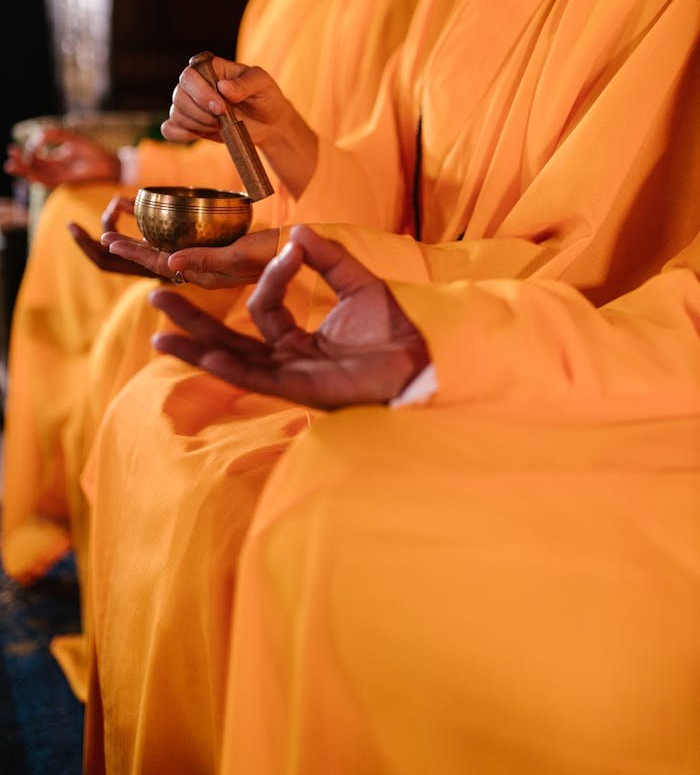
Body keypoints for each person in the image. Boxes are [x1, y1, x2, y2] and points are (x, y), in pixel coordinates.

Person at [82, 0, 700, 769]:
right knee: (154, 409)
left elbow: (585, 262)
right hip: (431, 303)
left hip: (559, 348)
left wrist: (333, 263)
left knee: (306, 503)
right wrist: (293, 150)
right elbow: (400, 183)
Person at [0, 0, 438, 611]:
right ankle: (47, 520)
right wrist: (118, 160)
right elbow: (236, 158)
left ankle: (105, 544)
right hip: (252, 222)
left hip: (299, 261)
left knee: (136, 320)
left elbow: (357, 184)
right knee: (69, 215)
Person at [148, 223, 700, 773]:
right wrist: (431, 344)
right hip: (626, 358)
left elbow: (596, 246)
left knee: (352, 523)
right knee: (333, 466)